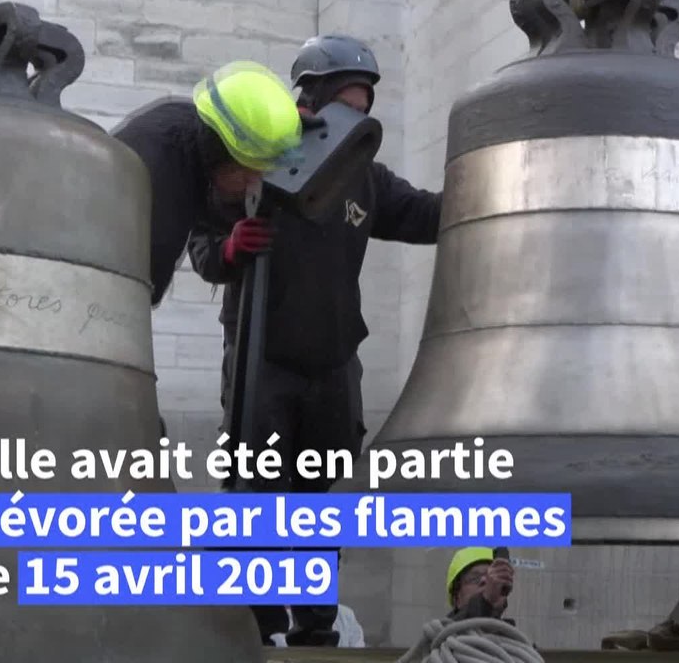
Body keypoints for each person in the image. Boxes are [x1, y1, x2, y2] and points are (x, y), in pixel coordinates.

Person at [185, 34, 442, 647]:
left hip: (331, 364)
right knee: (258, 493)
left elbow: (428, 214)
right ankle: (259, 626)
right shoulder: (260, 153)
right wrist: (228, 249)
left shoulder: (366, 180)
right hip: (262, 361)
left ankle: (314, 627)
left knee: (319, 501)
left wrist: (497, 188)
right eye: (345, 103)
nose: (355, 116)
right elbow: (200, 244)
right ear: (312, 99)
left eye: (364, 107)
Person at [110, 60, 311, 440]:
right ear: (219, 149)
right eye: (249, 169)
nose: (254, 182)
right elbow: (127, 296)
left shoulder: (190, 140)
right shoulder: (153, 170)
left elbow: (215, 206)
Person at [445, 547, 516, 622]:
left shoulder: (513, 633)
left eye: (490, 576)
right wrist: (486, 599)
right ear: (457, 599)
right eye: (475, 578)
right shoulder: (441, 632)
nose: (485, 580)